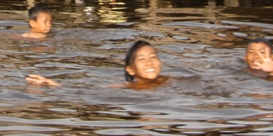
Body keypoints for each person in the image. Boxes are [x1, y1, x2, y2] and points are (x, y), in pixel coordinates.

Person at [25, 40, 168, 89]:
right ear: (130, 70)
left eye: (153, 56)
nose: (149, 62)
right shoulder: (128, 88)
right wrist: (51, 84)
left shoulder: (169, 81)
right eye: (141, 59)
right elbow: (86, 90)